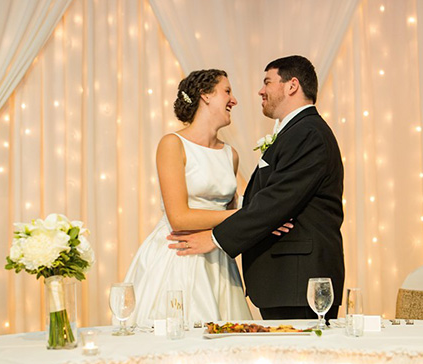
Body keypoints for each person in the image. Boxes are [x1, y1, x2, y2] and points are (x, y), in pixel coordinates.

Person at [169, 55, 345, 321]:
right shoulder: (296, 132)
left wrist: (215, 237)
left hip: (298, 282)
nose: (260, 91)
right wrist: (262, 215)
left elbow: (277, 201)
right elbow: (267, 202)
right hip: (286, 282)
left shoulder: (308, 133)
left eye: (267, 82)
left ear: (291, 86)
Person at [124, 69, 253, 327]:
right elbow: (179, 218)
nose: (234, 100)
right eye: (227, 91)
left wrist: (242, 219)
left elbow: (230, 214)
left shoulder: (231, 155)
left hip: (217, 257)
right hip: (178, 254)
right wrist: (247, 215)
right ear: (205, 95)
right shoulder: (172, 144)